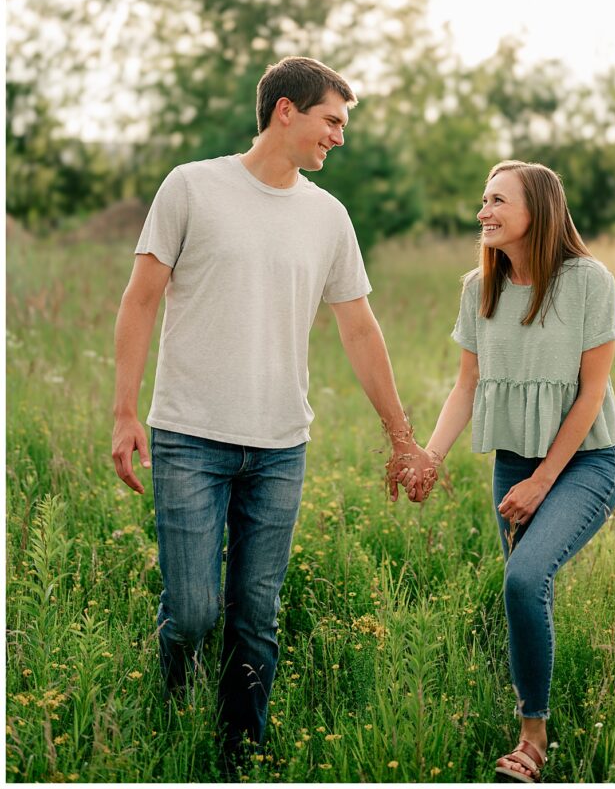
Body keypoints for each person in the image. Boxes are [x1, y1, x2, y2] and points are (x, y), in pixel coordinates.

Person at [111, 56, 434, 773]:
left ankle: (240, 755)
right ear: (285, 110)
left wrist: (402, 437)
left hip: (281, 446)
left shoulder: (327, 217)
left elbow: (359, 329)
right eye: (332, 120)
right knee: (193, 614)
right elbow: (139, 299)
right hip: (190, 435)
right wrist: (124, 411)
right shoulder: (192, 186)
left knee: (256, 620)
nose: (339, 137)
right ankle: (168, 720)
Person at [399, 160, 615, 784]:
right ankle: (534, 713)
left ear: (539, 210)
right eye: (483, 200)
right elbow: (465, 386)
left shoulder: (588, 281)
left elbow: (590, 395)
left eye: (498, 200)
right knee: (528, 588)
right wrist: (429, 456)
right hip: (514, 462)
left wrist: (542, 481)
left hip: (586, 461)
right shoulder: (479, 287)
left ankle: (533, 739)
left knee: (525, 579)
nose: (484, 212)